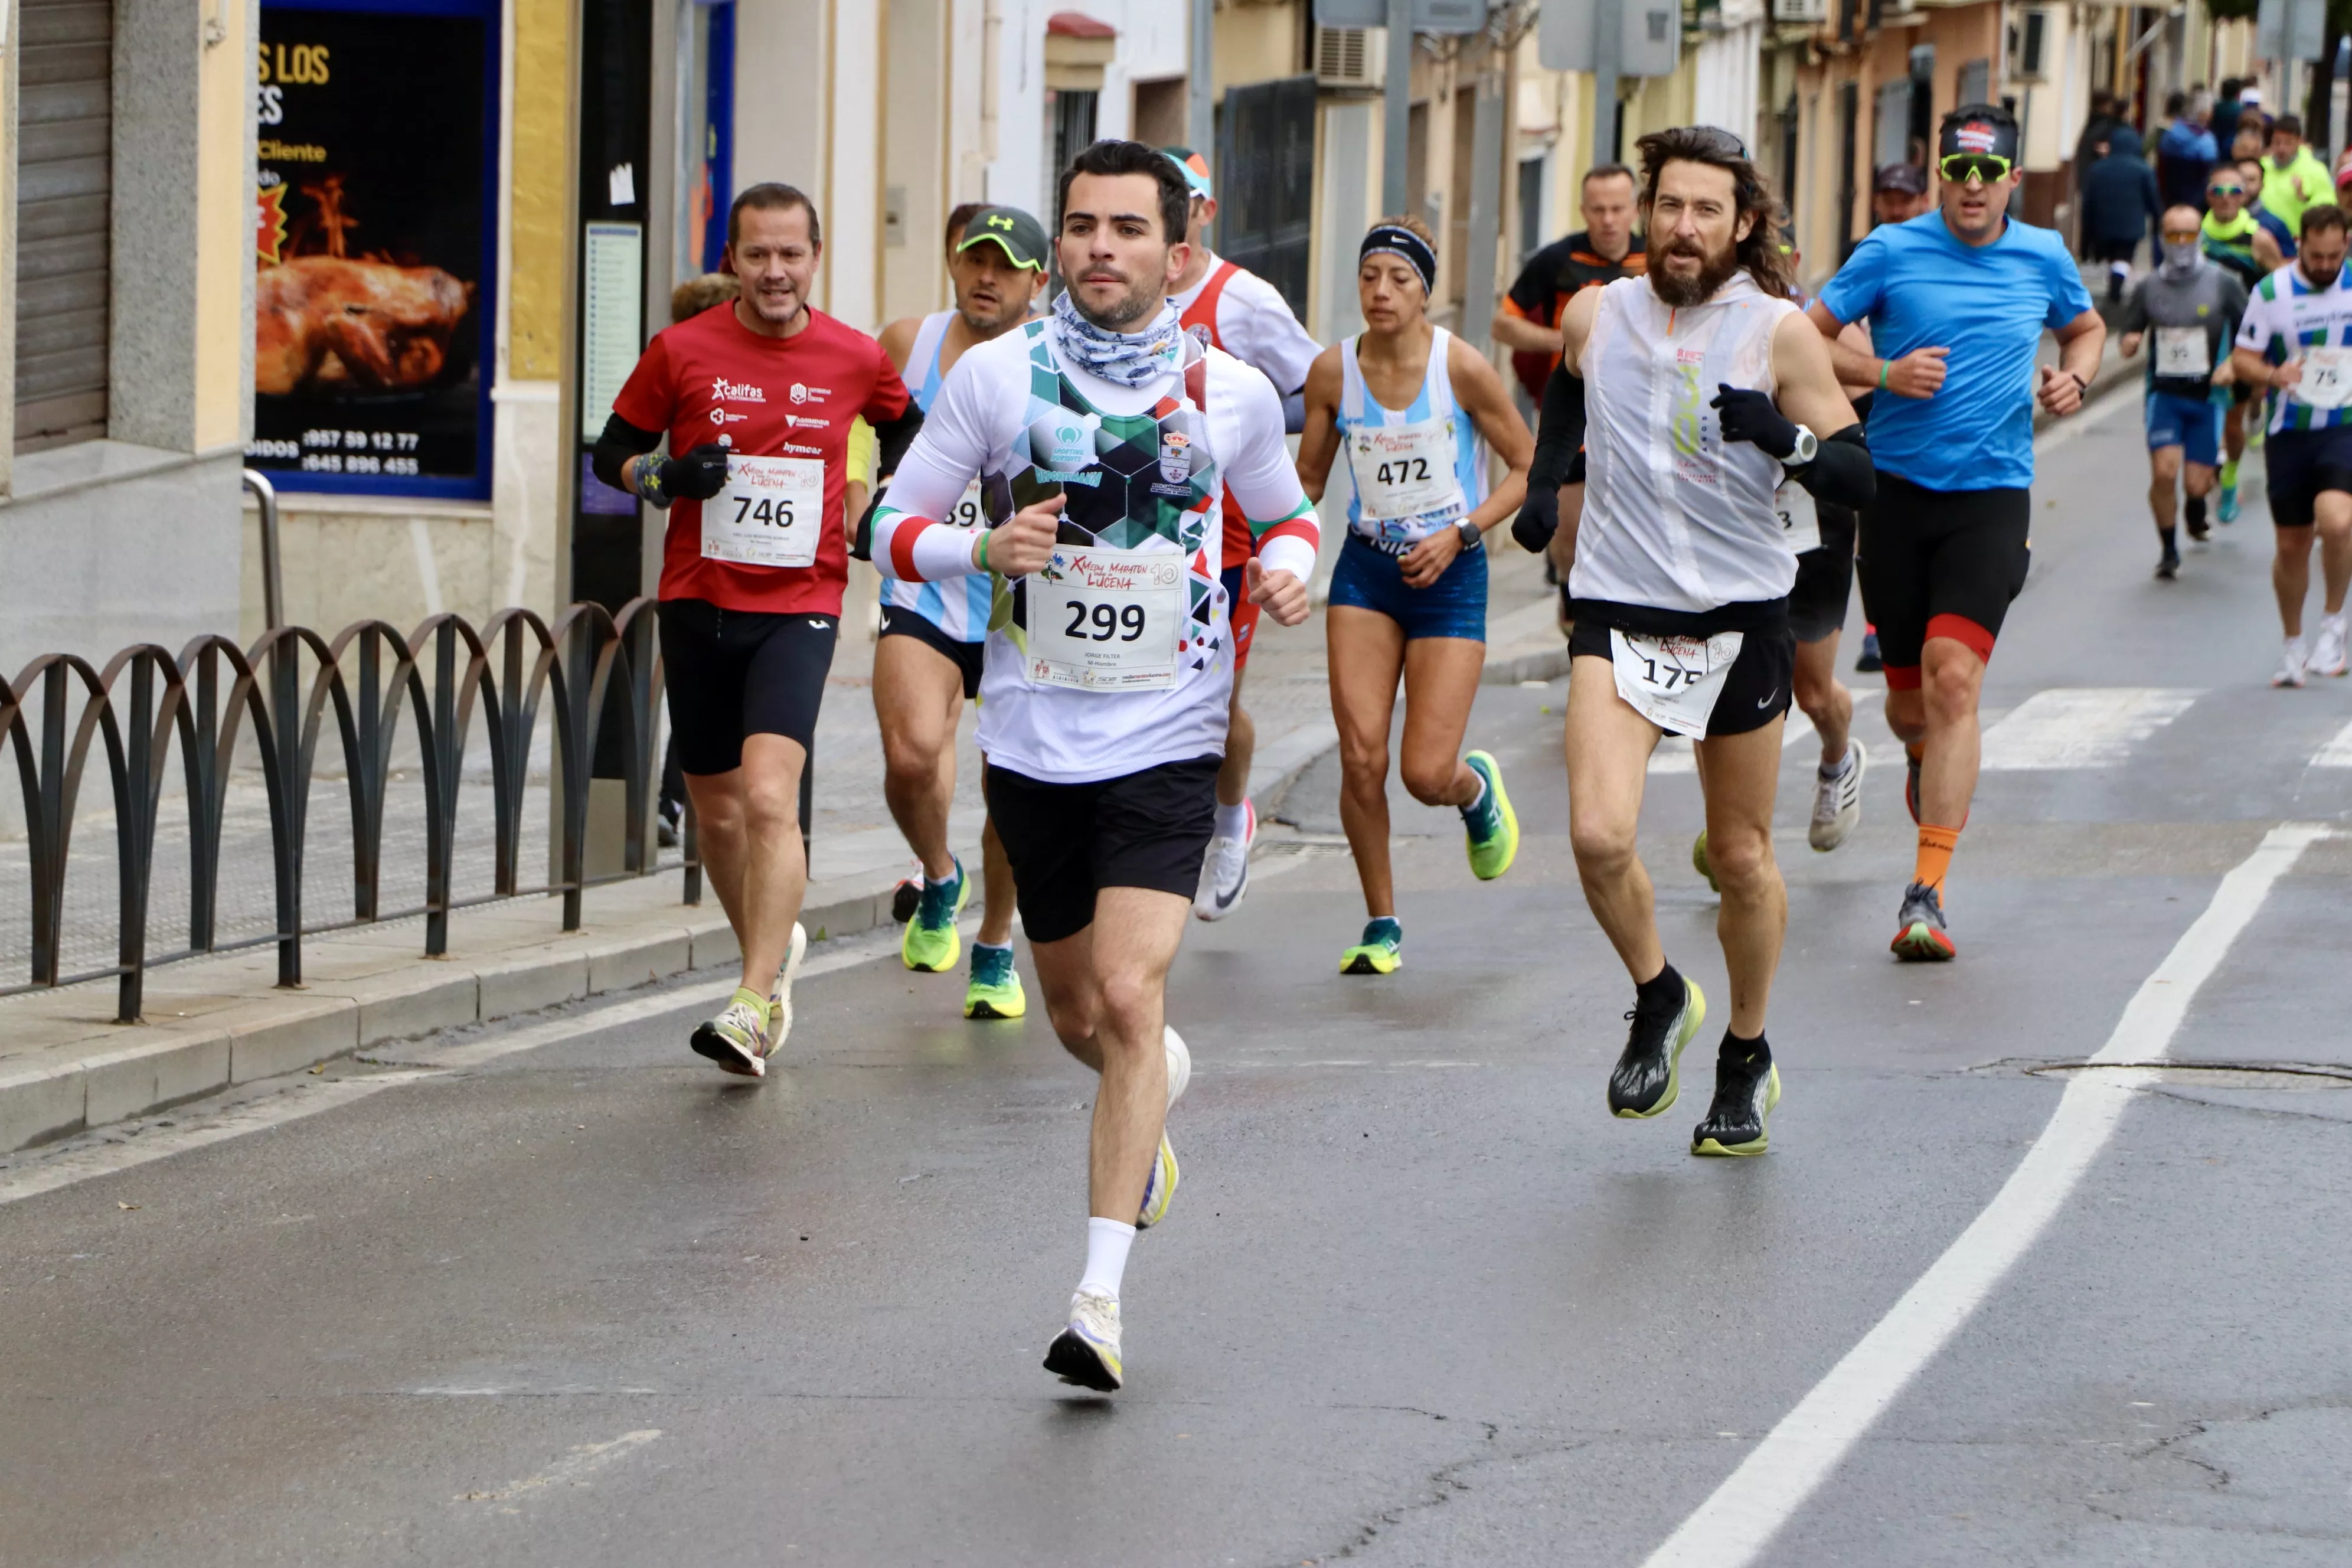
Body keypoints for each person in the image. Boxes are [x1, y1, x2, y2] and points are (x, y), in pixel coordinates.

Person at [867, 139, 1319, 1391]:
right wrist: (977, 548)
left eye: (1128, 228)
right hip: (1032, 739)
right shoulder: (997, 379)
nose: (1099, 249)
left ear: (1177, 251)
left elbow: (1288, 512)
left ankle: (1098, 1301)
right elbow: (890, 525)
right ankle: (1149, 1095)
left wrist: (1289, 564)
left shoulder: (1225, 391)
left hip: (1169, 736)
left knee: (1127, 992)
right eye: (1082, 227)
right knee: (1081, 1015)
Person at [1555, 125, 1871, 1157]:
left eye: (1704, 211)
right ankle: (1658, 995)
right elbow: (1566, 387)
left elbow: (1856, 474)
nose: (1681, 228)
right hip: (1616, 606)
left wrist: (1782, 436)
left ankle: (1745, 1051)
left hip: (1737, 617)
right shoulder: (1595, 312)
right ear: (1642, 215)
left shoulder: (1776, 333)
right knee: (1599, 836)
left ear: (1740, 226)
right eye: (1668, 206)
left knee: (1737, 856)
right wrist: (1549, 489)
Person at [593, 184, 921, 1074]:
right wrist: (665, 478)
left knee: (772, 797)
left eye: (792, 254)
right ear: (731, 260)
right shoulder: (682, 350)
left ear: (815, 257)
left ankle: (747, 1000)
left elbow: (909, 433)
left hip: (800, 604)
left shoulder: (855, 357)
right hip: (699, 599)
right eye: (758, 255)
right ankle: (773, 967)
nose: (775, 272)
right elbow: (608, 454)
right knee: (720, 816)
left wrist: (874, 504)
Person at [1809, 103, 2104, 961]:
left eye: (1989, 172)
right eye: (1958, 171)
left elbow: (2086, 329)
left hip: (1992, 496)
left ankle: (1926, 894)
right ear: (1939, 174)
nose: (1972, 188)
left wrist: (2077, 379)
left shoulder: (2044, 255)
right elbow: (1806, 342)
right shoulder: (1891, 251)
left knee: (1952, 684)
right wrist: (1882, 372)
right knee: (1909, 708)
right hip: (1895, 497)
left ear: (2014, 178)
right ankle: (1917, 760)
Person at [1293, 215, 1532, 975]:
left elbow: (1527, 469)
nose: (1381, 292)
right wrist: (1273, 551)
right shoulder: (1334, 373)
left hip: (1451, 573)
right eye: (1369, 277)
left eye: (1399, 279)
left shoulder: (1459, 370)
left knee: (1423, 771)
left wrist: (1463, 531)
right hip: (1368, 571)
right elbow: (1306, 482)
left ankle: (1473, 790)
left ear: (1425, 293)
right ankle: (1381, 920)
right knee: (1361, 756)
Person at [860, 204, 1053, 1015]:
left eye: (1006, 267)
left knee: (1010, 787)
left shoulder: (1055, 361)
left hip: (1024, 603)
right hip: (928, 583)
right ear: (952, 262)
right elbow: (853, 409)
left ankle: (997, 943)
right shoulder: (910, 341)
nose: (986, 277)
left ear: (1037, 283)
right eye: (975, 259)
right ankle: (940, 873)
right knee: (910, 758)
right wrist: (851, 486)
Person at [1157, 146, 1324, 924]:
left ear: (1204, 212)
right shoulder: (1111, 286)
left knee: (1214, 701)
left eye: (1182, 199)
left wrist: (1243, 419)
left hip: (1224, 542)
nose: (1168, 213)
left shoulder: (1243, 299)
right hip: (1134, 536)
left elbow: (1315, 382)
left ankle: (1229, 820)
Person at [1498, 164, 1645, 581]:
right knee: (1570, 534)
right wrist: (1565, 344)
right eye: (1598, 210)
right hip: (1571, 412)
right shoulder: (1558, 259)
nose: (1609, 220)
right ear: (1584, 210)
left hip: (1634, 414)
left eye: (1618, 208)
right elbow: (1503, 323)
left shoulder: (1655, 261)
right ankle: (1568, 590)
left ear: (1635, 210)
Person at [2229, 202, 2352, 685]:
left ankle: (2332, 625)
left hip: (2344, 423)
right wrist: (2273, 373)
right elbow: (2243, 359)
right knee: (2292, 546)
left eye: (2334, 256)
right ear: (2300, 245)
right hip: (2290, 429)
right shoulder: (2271, 292)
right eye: (2317, 256)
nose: (2325, 266)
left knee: (2337, 520)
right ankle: (2293, 644)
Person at [2120, 205, 2247, 579]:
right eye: (2173, 234)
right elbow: (2132, 328)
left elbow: (2252, 331)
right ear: (2161, 238)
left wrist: (2234, 363)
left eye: (2188, 235)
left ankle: (2197, 500)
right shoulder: (2148, 287)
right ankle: (2169, 549)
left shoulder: (2223, 282)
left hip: (2207, 397)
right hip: (2165, 394)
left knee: (2195, 482)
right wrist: (2129, 341)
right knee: (2164, 472)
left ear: (2200, 238)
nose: (2180, 243)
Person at [2201, 167, 2280, 520]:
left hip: (2242, 343)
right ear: (2209, 195)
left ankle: (2230, 478)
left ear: (2244, 195)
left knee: (2232, 422)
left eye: (2235, 189)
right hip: (2199, 339)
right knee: (2199, 414)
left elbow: (2281, 289)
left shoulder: (2258, 239)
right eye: (2219, 190)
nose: (2227, 197)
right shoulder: (2194, 234)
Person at [2082, 123, 2162, 303]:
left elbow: (2089, 204)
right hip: (2131, 226)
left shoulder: (2097, 169)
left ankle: (2115, 284)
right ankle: (2116, 287)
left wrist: (2086, 240)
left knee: (2112, 257)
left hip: (2103, 226)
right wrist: (2159, 221)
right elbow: (2152, 199)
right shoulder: (2143, 170)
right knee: (2124, 257)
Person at [2260, 115, 2330, 236]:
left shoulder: (2316, 170)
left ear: (2299, 141)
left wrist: (2304, 199)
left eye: (2288, 143)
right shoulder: (2262, 167)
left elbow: (2327, 210)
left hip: (2298, 240)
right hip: (2262, 237)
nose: (2281, 149)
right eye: (2277, 142)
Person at [2157, 92, 2220, 211]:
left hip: (2170, 196)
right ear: (2204, 114)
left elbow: (2162, 166)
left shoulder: (2171, 133)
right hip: (2196, 199)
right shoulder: (2207, 141)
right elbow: (2210, 171)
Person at [1870, 162, 1933, 230]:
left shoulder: (1937, 239)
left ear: (1925, 201)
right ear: (1875, 203)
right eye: (1889, 201)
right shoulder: (1870, 240)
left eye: (1906, 200)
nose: (1896, 212)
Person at [2211, 79, 2245, 151]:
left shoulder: (2216, 107)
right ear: (2237, 93)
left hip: (2217, 141)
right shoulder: (2240, 109)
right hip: (2233, 142)